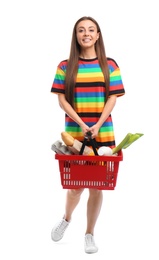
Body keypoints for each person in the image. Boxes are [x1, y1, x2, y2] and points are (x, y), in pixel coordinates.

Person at [50, 16, 125, 254]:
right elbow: (62, 101)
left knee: (97, 186)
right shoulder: (65, 66)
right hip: (75, 133)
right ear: (76, 35)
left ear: (98, 35)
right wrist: (82, 124)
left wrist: (98, 124)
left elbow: (113, 98)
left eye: (91, 30)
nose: (86, 34)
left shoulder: (110, 65)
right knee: (75, 187)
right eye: (81, 30)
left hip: (103, 133)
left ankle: (89, 233)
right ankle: (67, 217)